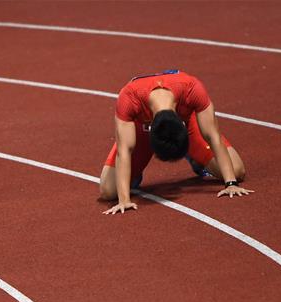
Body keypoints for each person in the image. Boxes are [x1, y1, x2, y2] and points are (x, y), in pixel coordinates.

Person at [99, 69, 252, 214]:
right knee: (108, 191)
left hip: (187, 121)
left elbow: (212, 135)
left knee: (237, 170)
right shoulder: (129, 97)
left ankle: (196, 159)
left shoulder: (192, 88)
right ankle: (135, 174)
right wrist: (124, 199)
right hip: (139, 127)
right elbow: (124, 149)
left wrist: (231, 183)